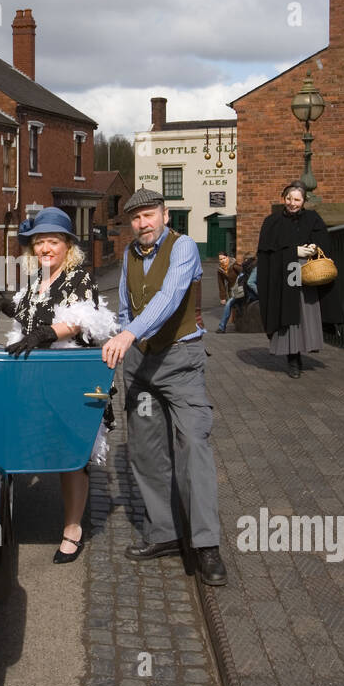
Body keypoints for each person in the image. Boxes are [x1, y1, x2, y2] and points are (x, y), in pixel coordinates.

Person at [101, 188, 226, 587]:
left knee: (193, 444)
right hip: (140, 365)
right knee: (146, 450)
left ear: (165, 215)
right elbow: (126, 304)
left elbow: (170, 298)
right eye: (135, 218)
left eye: (149, 215)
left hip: (181, 363)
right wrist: (124, 331)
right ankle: (166, 533)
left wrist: (129, 333)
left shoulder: (184, 247)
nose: (143, 224)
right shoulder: (128, 255)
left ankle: (206, 546)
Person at [0, 207, 117, 565]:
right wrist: (5, 304)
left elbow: (82, 320)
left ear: (67, 247)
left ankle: (72, 529)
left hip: (67, 376)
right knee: (24, 440)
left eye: (52, 241)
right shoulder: (34, 281)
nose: (45, 248)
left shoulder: (79, 279)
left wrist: (48, 333)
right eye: (40, 242)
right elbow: (30, 312)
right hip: (34, 376)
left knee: (72, 455)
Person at [256, 182, 343, 378]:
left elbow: (324, 242)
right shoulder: (272, 221)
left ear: (304, 201)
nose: (292, 203)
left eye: (297, 199)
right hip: (287, 272)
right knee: (290, 314)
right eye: (289, 199)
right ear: (283, 198)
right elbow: (265, 252)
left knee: (306, 311)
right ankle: (292, 357)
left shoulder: (313, 219)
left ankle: (306, 347)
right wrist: (292, 251)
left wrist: (313, 247)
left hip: (308, 271)